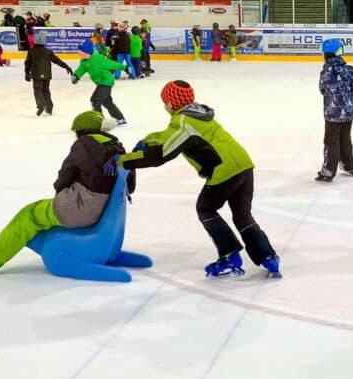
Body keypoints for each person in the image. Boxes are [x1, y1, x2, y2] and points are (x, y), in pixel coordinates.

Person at [118, 80, 281, 278]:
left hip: (224, 171)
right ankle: (268, 257)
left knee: (205, 208)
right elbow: (170, 136)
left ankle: (229, 254)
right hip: (245, 166)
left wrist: (123, 161)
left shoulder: (183, 123)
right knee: (243, 216)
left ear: (170, 104)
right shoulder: (199, 115)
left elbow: (162, 154)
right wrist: (149, 139)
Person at [0, 111, 133, 273]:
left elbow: (65, 175)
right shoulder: (117, 147)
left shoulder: (84, 144)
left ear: (81, 131)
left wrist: (61, 194)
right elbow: (130, 184)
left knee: (29, 214)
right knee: (40, 213)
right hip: (101, 211)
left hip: (80, 208)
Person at [315, 39, 353, 182]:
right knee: (345, 138)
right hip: (348, 112)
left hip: (332, 114)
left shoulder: (325, 72)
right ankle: (348, 166)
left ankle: (328, 171)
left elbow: (322, 89)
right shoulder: (348, 69)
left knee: (331, 141)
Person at [72, 39, 128, 125]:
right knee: (107, 102)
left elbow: (112, 64)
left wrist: (124, 67)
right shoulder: (84, 61)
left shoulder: (99, 59)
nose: (79, 54)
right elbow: (81, 69)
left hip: (106, 82)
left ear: (88, 52)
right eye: (79, 52)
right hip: (100, 83)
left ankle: (99, 121)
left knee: (95, 100)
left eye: (81, 52)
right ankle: (120, 118)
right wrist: (76, 76)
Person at [25, 31, 73, 116]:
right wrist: (67, 67)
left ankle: (41, 105)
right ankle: (49, 108)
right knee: (46, 91)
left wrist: (27, 73)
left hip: (36, 74)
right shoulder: (48, 51)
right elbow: (57, 61)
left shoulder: (31, 51)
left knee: (38, 90)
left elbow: (27, 63)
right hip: (47, 74)